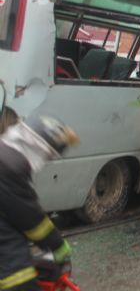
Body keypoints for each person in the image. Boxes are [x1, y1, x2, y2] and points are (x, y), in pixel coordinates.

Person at [0, 116, 79, 290]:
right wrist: (58, 245)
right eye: (48, 155)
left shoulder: (5, 154)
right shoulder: (10, 166)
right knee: (19, 277)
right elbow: (31, 219)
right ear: (38, 147)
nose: (46, 160)